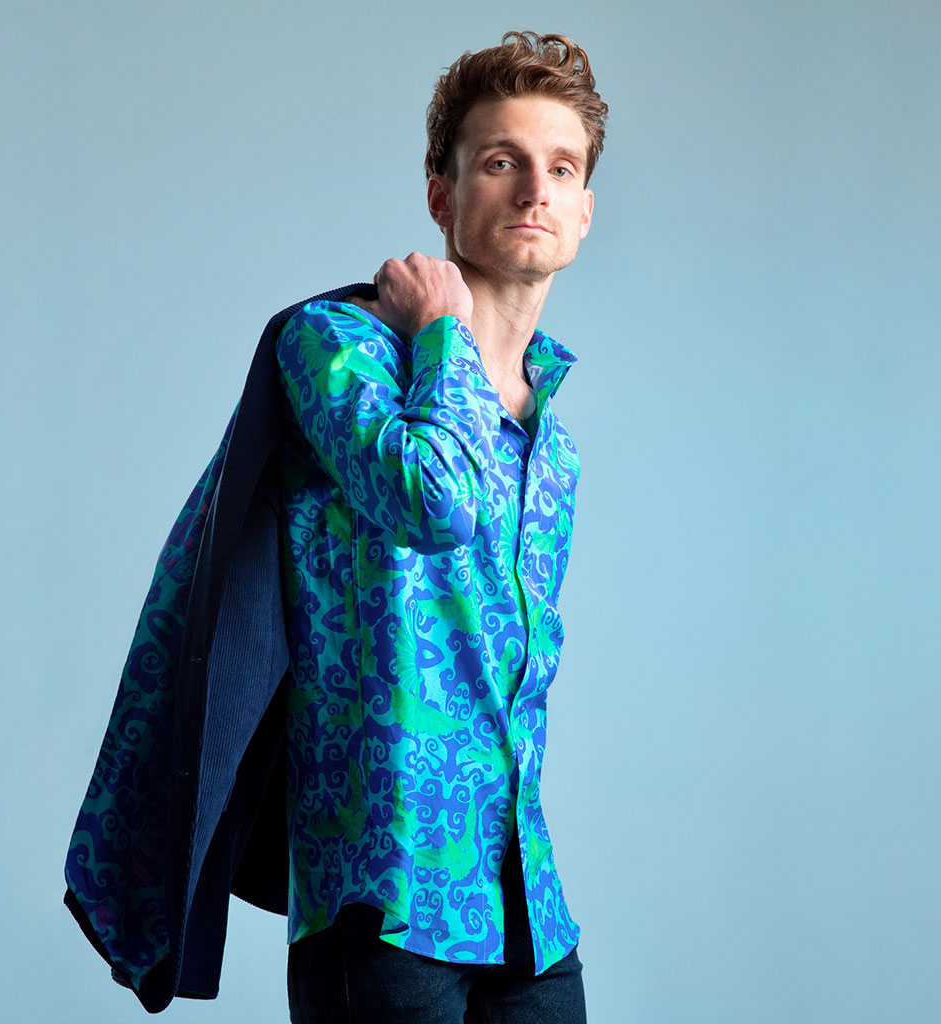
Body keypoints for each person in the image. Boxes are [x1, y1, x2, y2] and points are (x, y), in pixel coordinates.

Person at [276, 29, 608, 1023]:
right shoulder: (336, 347)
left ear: (585, 211)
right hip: (384, 896)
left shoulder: (555, 446)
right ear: (441, 195)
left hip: (524, 906)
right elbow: (432, 503)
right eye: (501, 162)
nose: (534, 190)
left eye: (561, 169)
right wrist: (442, 333)